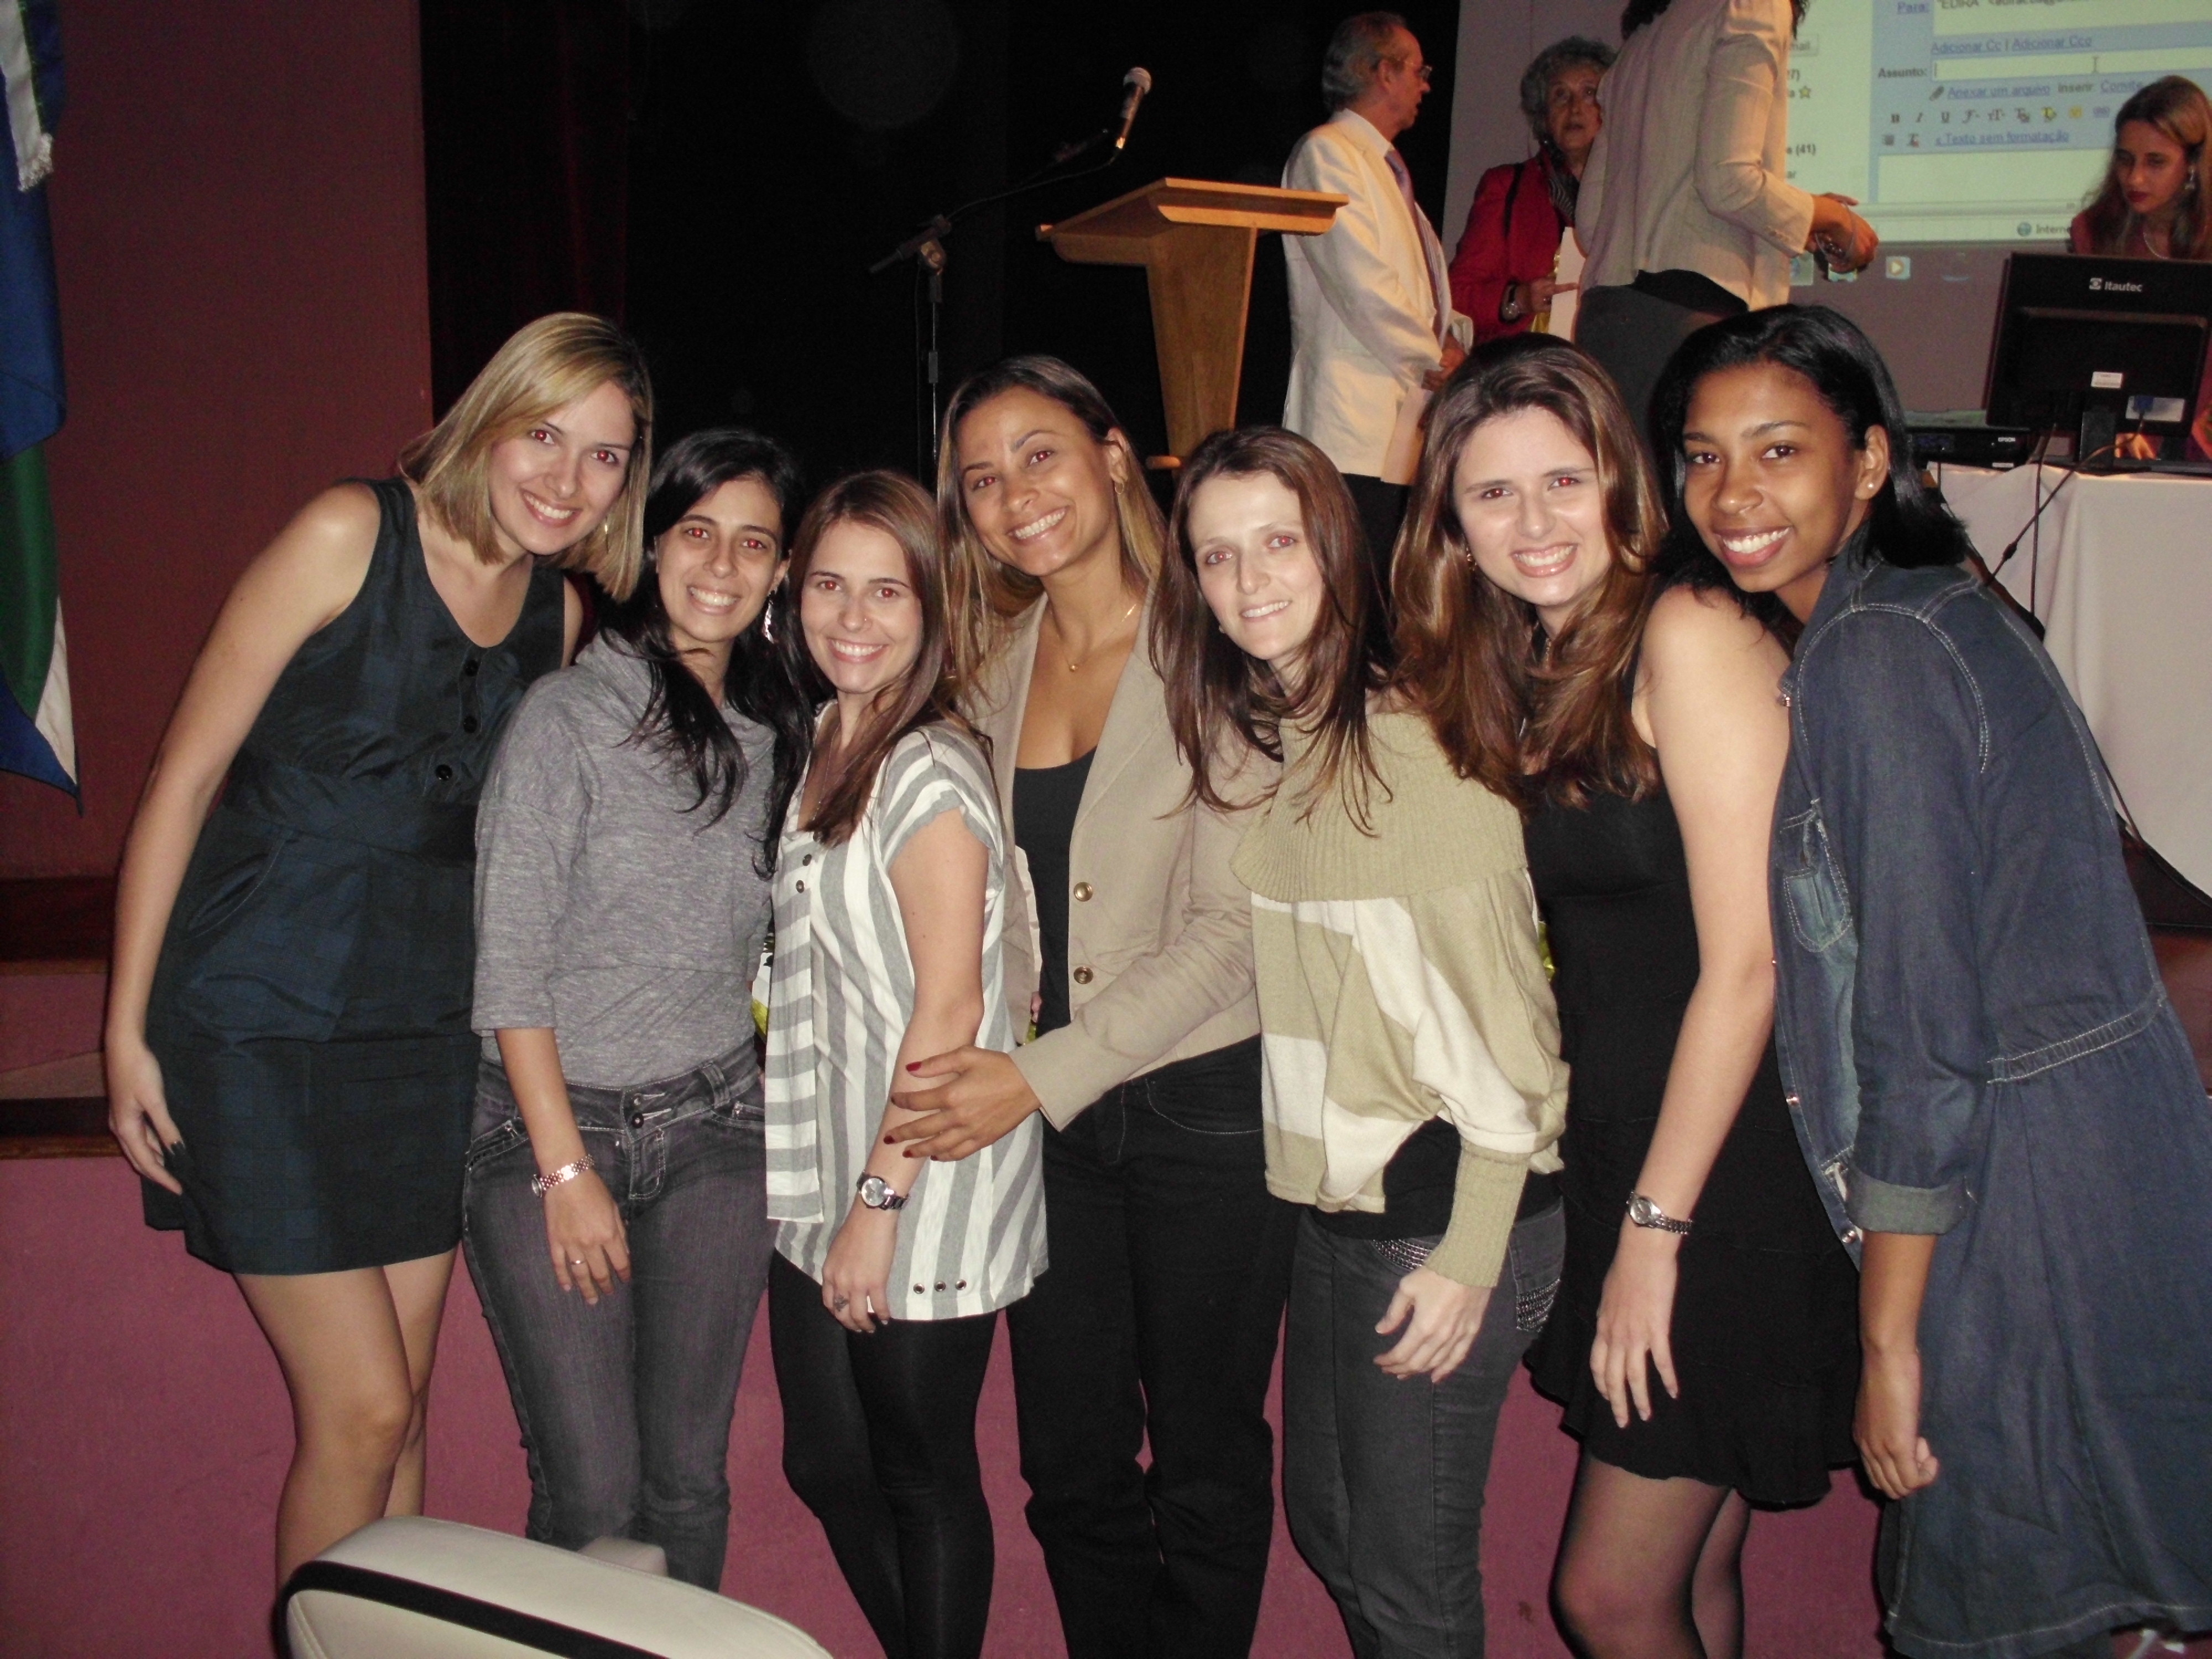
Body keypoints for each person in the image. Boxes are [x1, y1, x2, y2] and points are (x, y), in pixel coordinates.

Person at [1655, 302, 2212, 1659]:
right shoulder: (1926, 607)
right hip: (2089, 1156)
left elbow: (1919, 1030)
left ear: (1865, 461)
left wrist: (1890, 1339)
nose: (1731, 494)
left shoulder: (1874, 654)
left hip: (2022, 1201)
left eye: (1777, 450)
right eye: (1702, 456)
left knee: (2002, 1608)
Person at [103, 312, 648, 1584]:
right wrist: (124, 1029)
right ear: (489, 421)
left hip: (422, 1031)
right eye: (545, 435)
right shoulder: (349, 532)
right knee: (361, 1410)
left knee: (402, 1412)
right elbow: (182, 777)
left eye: (606, 456)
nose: (568, 479)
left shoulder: (558, 614)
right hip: (260, 1014)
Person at [1403, 336, 1858, 1659]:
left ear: (1621, 481)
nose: (1533, 524)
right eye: (1492, 494)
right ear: (1450, 522)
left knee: (1605, 1597)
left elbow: (1750, 964)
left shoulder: (1687, 628)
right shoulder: (1531, 659)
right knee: (1692, 1568)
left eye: (1563, 480)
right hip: (1639, 1142)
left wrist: (1655, 1233)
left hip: (1725, 1171)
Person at [888, 356, 1296, 1659]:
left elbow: (1235, 932)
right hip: (1052, 1124)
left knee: (1205, 1458)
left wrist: (1036, 1073)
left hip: (1202, 1109)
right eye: (981, 479)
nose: (1014, 495)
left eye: (1040, 454)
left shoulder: (1218, 641)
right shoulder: (986, 670)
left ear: (1113, 456)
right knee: (1068, 1463)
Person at [1155, 423, 1569, 1659]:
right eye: (1217, 556)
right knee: (1332, 1532)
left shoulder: (1408, 749)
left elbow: (1518, 1037)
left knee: (1407, 1587)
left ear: (1338, 549)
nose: (1250, 581)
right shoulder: (1294, 737)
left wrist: (1470, 1251)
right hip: (1349, 1209)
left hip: (1447, 1207)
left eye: (1278, 543)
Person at [462, 429, 808, 1589]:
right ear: (653, 546)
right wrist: (566, 1172)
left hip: (719, 1131)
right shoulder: (567, 716)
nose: (722, 565)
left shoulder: (782, 732)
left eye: (753, 543)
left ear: (781, 571)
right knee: (593, 1491)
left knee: (688, 1483)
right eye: (698, 532)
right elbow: (509, 968)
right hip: (554, 1129)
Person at [763, 469, 1044, 1659]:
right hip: (824, 1151)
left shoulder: (925, 768)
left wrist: (878, 1208)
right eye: (830, 585)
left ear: (931, 609)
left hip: (919, 1174)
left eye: (888, 591)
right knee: (826, 1460)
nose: (853, 617)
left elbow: (950, 1007)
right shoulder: (833, 734)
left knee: (921, 1473)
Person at [1573, 0, 1876, 444]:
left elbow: (1591, 223)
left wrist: (1799, 215)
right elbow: (1728, 182)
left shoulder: (1642, 36)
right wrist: (1835, 218)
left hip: (1607, 319)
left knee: (1629, 489)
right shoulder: (1751, 6)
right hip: (1685, 322)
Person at [1282, 12, 1474, 577]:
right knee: (1355, 582)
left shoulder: (1386, 167)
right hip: (1352, 419)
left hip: (1400, 413)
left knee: (1392, 583)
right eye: (1419, 71)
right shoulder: (1327, 153)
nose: (1426, 85)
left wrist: (1455, 337)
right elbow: (1361, 283)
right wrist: (1432, 356)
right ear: (1384, 72)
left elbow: (1420, 284)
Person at [2070, 76, 2212, 460]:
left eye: (2156, 162)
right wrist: (2114, 423)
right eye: (2125, 159)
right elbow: (2095, 354)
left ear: (2193, 164)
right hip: (2124, 437)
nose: (2134, 178)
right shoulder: (2095, 231)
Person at [1448, 36, 1614, 343]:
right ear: (1544, 116)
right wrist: (1518, 299)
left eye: (1589, 93)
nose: (1575, 108)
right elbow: (1458, 296)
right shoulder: (1506, 187)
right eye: (1560, 96)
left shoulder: (1632, 191)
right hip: (1531, 360)